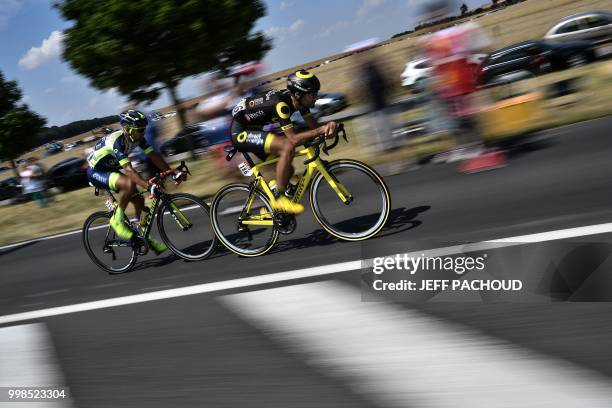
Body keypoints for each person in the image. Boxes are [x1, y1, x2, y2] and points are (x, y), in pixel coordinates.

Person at [230, 70, 337, 214]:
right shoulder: (282, 105)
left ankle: (269, 210)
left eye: (316, 93)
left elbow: (314, 128)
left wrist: (329, 130)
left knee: (289, 170)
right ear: (298, 94)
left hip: (256, 130)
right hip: (241, 133)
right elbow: (293, 139)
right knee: (287, 147)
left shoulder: (300, 102)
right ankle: (279, 198)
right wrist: (320, 131)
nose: (316, 98)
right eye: (312, 94)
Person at [86, 109, 186, 253]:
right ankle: (117, 220)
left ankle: (143, 235)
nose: (143, 133)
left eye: (144, 129)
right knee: (129, 182)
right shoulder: (118, 142)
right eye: (139, 130)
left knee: (139, 200)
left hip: (110, 169)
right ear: (127, 129)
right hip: (95, 172)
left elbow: (153, 155)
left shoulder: (137, 138)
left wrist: (172, 172)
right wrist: (148, 186)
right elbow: (129, 170)